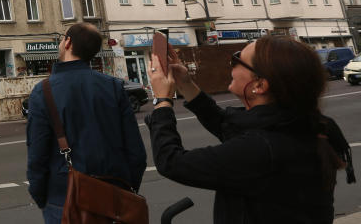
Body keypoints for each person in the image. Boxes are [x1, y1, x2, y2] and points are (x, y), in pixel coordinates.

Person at [147, 35, 355, 223]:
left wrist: (162, 101)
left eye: (236, 60)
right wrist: (185, 83)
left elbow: (172, 162)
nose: (231, 65)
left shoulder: (264, 147)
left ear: (260, 85)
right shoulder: (302, 123)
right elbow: (225, 123)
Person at [26, 22, 147, 223]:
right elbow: (136, 153)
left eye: (62, 38)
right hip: (113, 197)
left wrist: (43, 199)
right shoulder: (114, 87)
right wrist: (125, 190)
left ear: (68, 43)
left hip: (63, 199)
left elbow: (36, 158)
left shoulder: (43, 91)